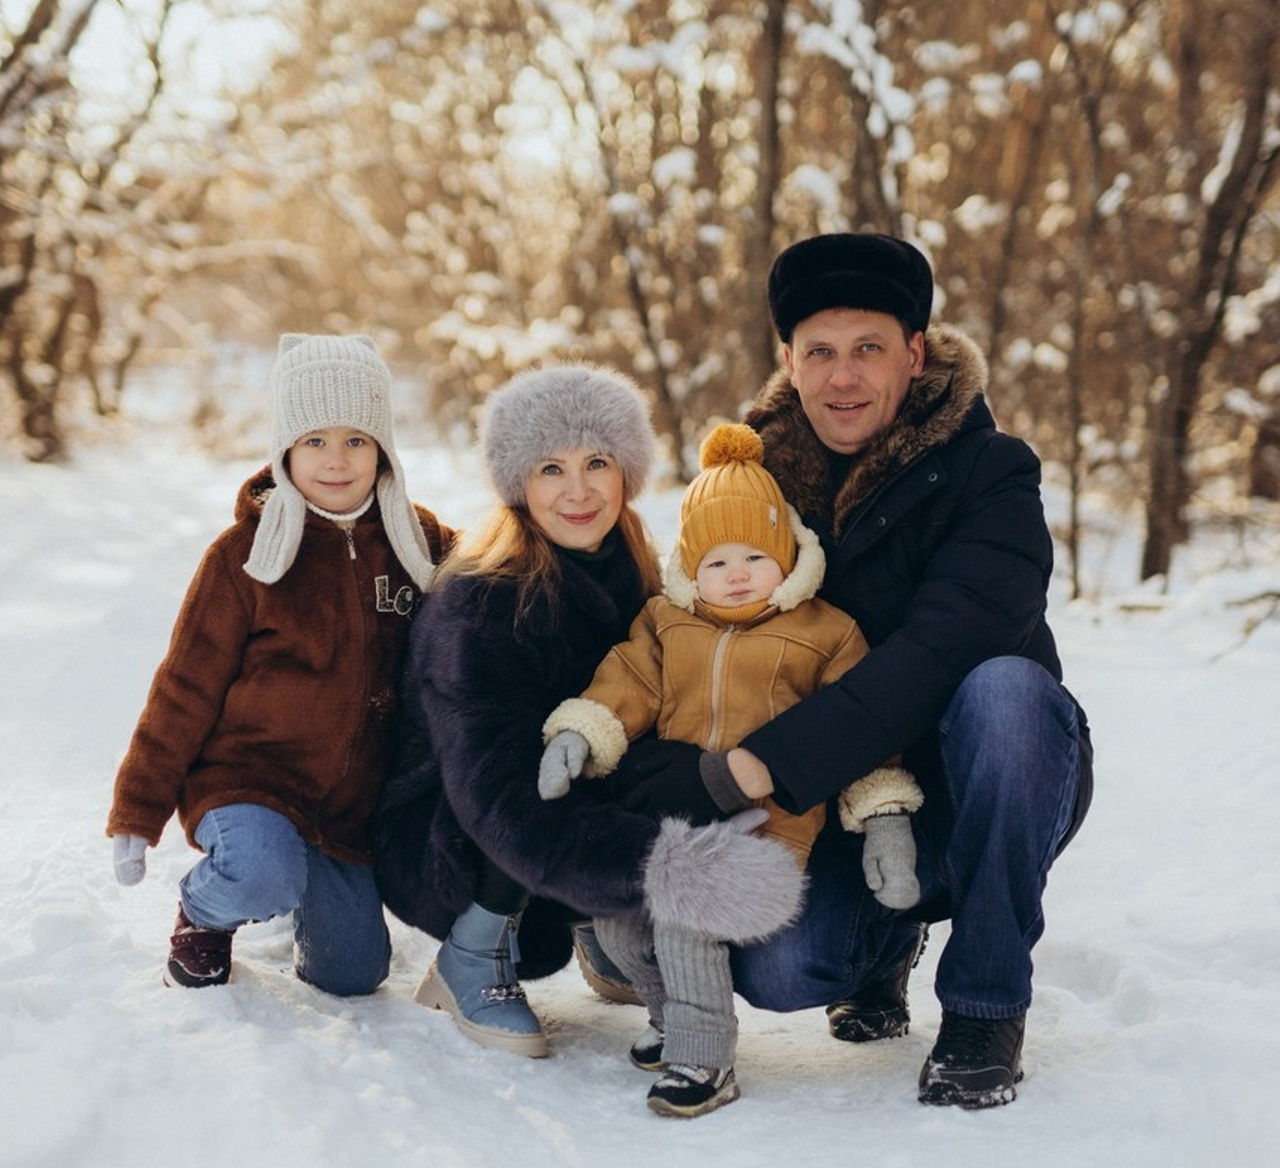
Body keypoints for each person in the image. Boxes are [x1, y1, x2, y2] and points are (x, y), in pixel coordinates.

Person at [581, 233, 1094, 1109]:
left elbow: (942, 651)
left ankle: (984, 1002)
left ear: (916, 353)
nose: (843, 378)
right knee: (785, 970)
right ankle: (885, 949)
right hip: (841, 805)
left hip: (987, 779)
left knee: (1003, 692)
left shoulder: (992, 473)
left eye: (869, 350)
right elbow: (692, 621)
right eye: (820, 352)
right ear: (788, 358)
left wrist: (751, 768)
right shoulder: (759, 484)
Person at [371, 364, 805, 1063]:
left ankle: (599, 924)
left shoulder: (639, 573)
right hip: (452, 832)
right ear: (519, 484)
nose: (578, 490)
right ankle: (471, 952)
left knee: (664, 750)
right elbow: (499, 797)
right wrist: (663, 870)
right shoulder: (479, 603)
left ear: (626, 471)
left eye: (597, 462)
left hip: (552, 822)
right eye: (550, 468)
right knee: (548, 763)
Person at [537, 421, 923, 1116]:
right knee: (620, 920)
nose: (737, 573)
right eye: (716, 561)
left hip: (767, 838)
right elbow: (623, 687)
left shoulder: (826, 633)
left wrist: (885, 818)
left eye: (754, 555)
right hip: (671, 822)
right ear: (691, 565)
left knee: (685, 911)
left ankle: (705, 1058)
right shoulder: (665, 622)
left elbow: (864, 735)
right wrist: (580, 735)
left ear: (786, 554)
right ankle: (671, 1018)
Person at [106, 333, 455, 994]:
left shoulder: (419, 543)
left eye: (356, 439)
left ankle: (292, 883)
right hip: (248, 783)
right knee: (262, 870)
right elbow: (183, 688)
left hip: (346, 811)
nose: (336, 460)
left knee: (351, 974)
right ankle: (206, 909)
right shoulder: (243, 556)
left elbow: (493, 580)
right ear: (285, 449)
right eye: (314, 440)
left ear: (383, 449)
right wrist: (137, 808)